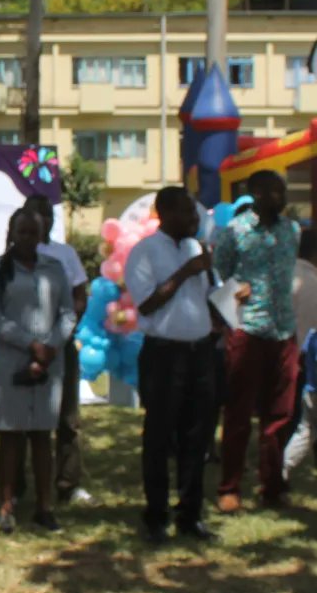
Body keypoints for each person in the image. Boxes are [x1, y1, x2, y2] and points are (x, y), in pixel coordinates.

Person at [124, 187, 217, 543]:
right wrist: (184, 273)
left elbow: (203, 297)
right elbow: (146, 305)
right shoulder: (144, 252)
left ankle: (190, 515)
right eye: (187, 213)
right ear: (164, 213)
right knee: (161, 436)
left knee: (197, 436)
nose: (195, 220)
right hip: (164, 355)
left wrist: (222, 307)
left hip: (201, 352)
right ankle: (156, 516)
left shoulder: (196, 248)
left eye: (195, 214)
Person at [0, 209, 75, 534]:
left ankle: (44, 507)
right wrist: (30, 344)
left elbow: (67, 313)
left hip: (50, 362)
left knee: (41, 437)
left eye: (33, 233)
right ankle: (7, 504)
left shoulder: (55, 267)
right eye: (21, 232)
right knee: (10, 436)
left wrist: (50, 346)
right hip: (11, 362)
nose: (27, 238)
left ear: (41, 235)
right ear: (11, 233)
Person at [214, 169, 300, 511]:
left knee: (281, 414)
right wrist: (236, 290)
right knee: (239, 412)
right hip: (248, 331)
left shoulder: (291, 231)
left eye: (284, 191)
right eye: (277, 192)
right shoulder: (236, 231)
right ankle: (229, 488)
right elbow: (218, 272)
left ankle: (272, 486)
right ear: (259, 195)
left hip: (284, 330)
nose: (283, 197)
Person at [23, 194, 92, 505]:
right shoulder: (17, 255)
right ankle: (21, 486)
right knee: (26, 418)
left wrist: (63, 331)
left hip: (61, 343)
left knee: (67, 418)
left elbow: (80, 295)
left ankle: (68, 483)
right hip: (27, 345)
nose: (42, 221)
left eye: (47, 215)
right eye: (35, 215)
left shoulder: (65, 254)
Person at [282, 228, 317, 480]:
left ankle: (279, 469)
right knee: (304, 425)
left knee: (302, 425)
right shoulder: (312, 282)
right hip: (308, 363)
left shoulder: (284, 276)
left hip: (287, 358)